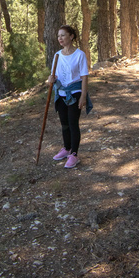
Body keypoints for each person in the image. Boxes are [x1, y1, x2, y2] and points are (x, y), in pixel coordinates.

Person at [47, 24, 91, 169]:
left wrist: (83, 96)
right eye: (58, 35)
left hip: (74, 93)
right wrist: (51, 79)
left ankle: (74, 154)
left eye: (63, 35)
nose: (60, 38)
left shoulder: (80, 55)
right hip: (60, 94)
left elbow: (84, 77)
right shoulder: (57, 55)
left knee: (73, 123)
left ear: (71, 36)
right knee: (64, 123)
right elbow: (55, 75)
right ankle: (66, 149)